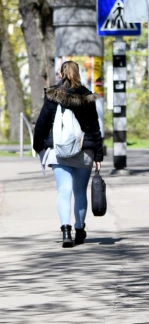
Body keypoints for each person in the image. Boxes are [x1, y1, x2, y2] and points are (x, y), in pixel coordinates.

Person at [33, 61, 103, 248]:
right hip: (84, 150)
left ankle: (66, 230)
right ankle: (79, 230)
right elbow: (94, 126)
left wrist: (37, 145)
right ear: (78, 73)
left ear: (60, 73)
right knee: (80, 191)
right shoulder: (87, 96)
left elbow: (42, 124)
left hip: (58, 150)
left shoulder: (52, 96)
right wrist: (98, 154)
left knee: (64, 190)